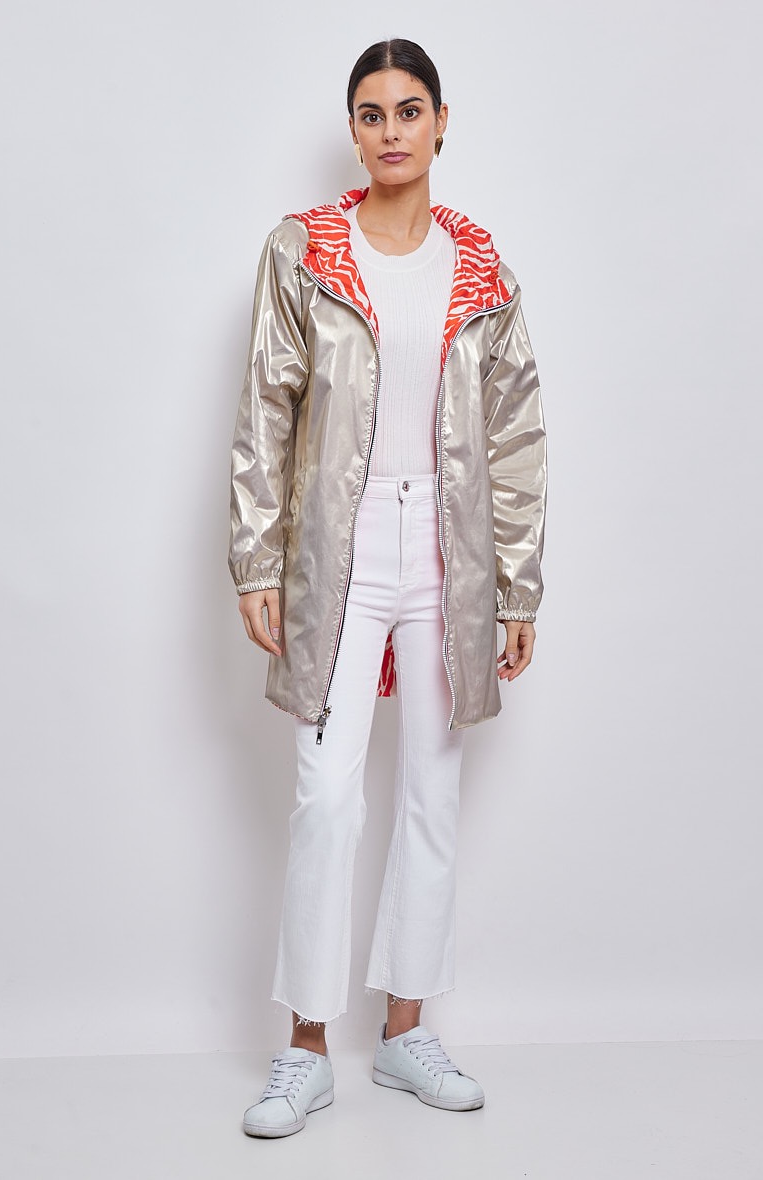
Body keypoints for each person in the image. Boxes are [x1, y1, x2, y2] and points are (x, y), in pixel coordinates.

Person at [228, 37, 547, 1138]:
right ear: (354, 131)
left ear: (441, 122)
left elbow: (514, 433)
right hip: (340, 544)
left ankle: (406, 1030)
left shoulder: (481, 266)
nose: (392, 130)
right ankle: (306, 1046)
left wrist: (517, 586)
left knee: (430, 790)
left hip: (450, 549)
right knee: (326, 794)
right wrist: (257, 557)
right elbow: (265, 410)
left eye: (410, 110)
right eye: (372, 113)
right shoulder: (304, 252)